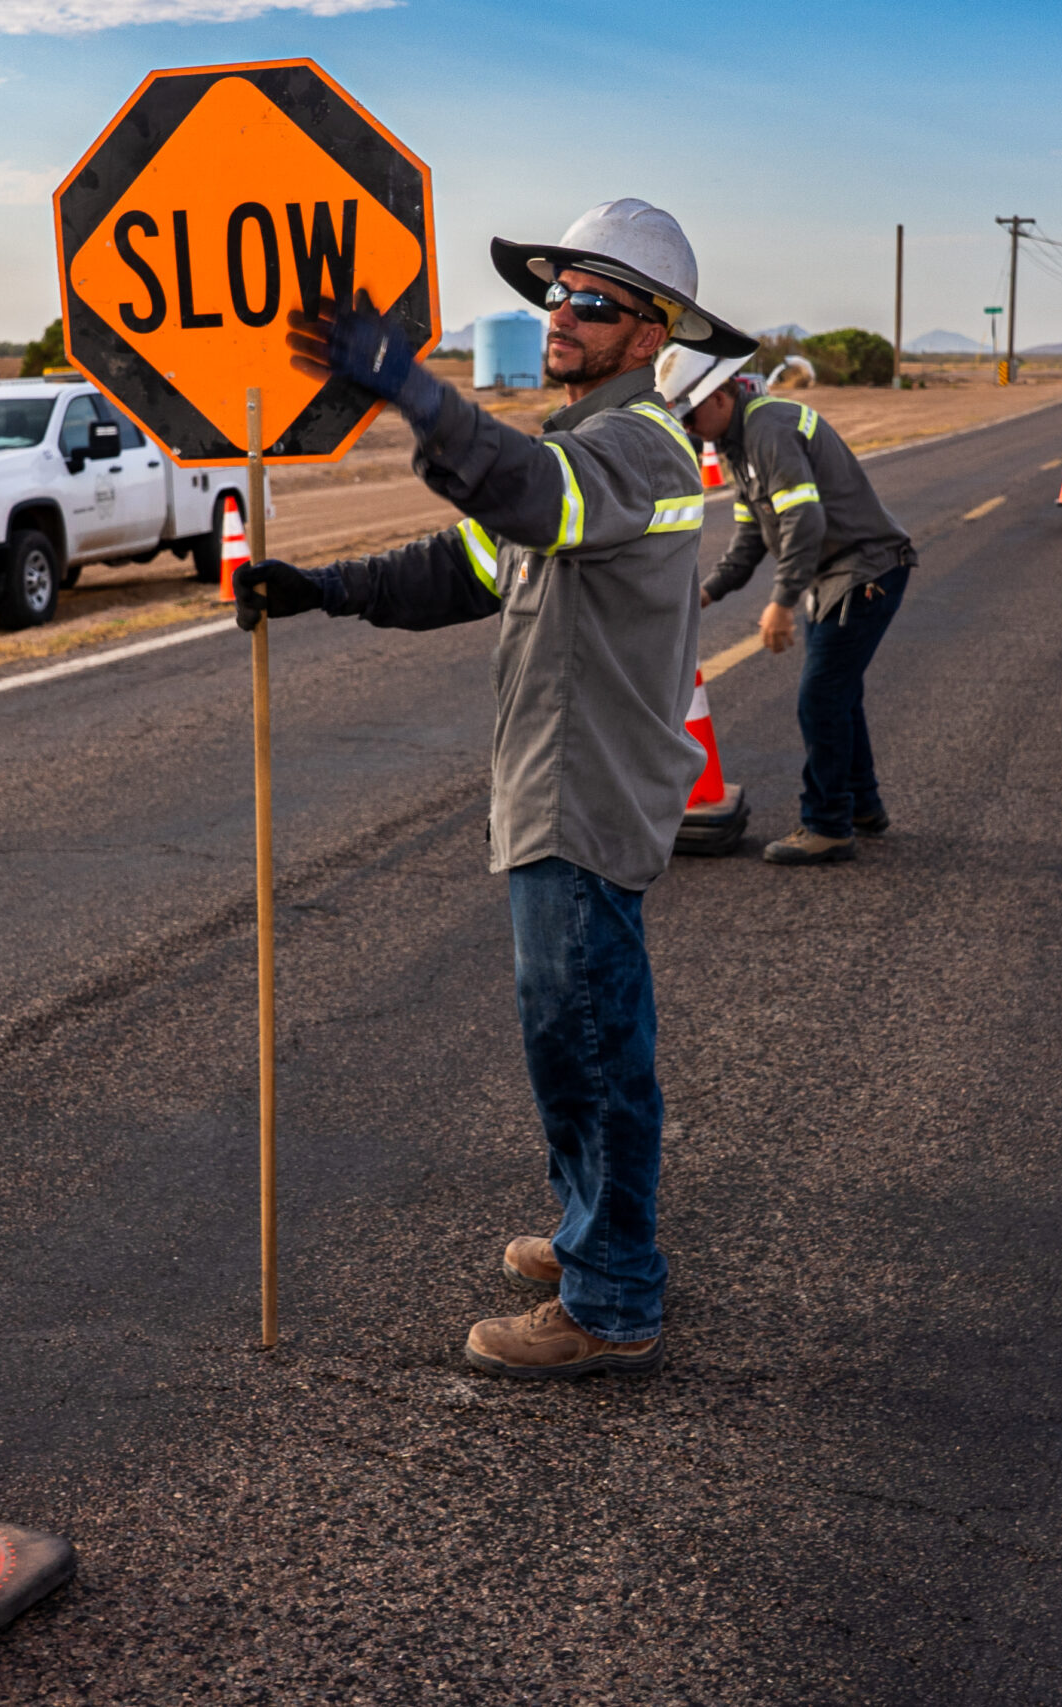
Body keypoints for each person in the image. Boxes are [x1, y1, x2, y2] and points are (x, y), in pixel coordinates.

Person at [233, 199, 756, 1380]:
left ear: (649, 335)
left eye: (593, 302)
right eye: (556, 294)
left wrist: (415, 395)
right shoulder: (582, 452)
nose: (561, 314)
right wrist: (326, 589)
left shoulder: (635, 449)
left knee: (590, 1045)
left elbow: (522, 494)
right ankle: (591, 1238)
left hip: (585, 792)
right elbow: (469, 564)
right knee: (570, 1036)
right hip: (560, 784)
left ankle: (611, 1298)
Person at [666, 348, 915, 866]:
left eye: (689, 415)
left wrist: (781, 602)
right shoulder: (737, 444)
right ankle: (862, 807)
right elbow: (749, 538)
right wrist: (705, 593)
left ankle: (827, 825)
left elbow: (805, 522)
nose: (687, 427)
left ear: (719, 396)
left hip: (864, 571)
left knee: (821, 698)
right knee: (839, 696)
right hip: (838, 575)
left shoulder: (767, 430)